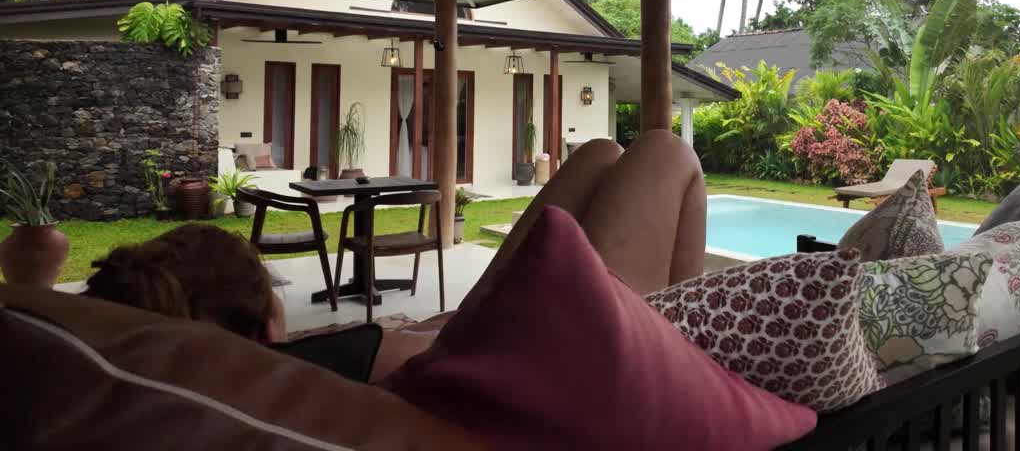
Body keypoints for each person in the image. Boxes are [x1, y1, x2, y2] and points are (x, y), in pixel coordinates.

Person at [83, 130, 707, 383]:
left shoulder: (267, 375)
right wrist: (388, 332)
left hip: (498, 349)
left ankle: (687, 350)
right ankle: (689, 360)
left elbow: (436, 341)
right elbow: (448, 341)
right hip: (570, 367)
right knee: (665, 152)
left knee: (600, 152)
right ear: (268, 324)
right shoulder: (314, 367)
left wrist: (390, 329)